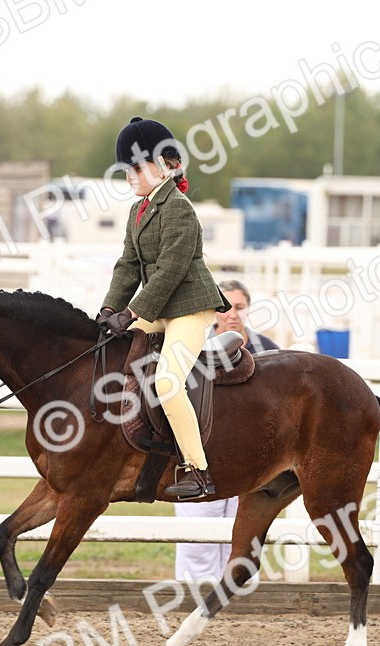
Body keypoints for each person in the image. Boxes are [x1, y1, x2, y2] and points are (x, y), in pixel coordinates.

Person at [97, 116, 232, 500]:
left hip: (190, 307)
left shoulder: (179, 209)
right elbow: (126, 265)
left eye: (136, 168)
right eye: (127, 169)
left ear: (164, 166)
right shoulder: (138, 211)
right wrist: (109, 309)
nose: (130, 176)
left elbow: (171, 270)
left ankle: (198, 470)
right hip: (161, 308)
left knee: (168, 382)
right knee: (110, 349)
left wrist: (134, 312)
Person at [174, 279, 278, 582]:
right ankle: (193, 594)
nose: (233, 314)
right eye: (227, 307)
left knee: (244, 534)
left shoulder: (269, 351)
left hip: (251, 455)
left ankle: (241, 596)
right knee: (197, 538)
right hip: (203, 451)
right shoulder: (190, 347)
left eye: (240, 307)